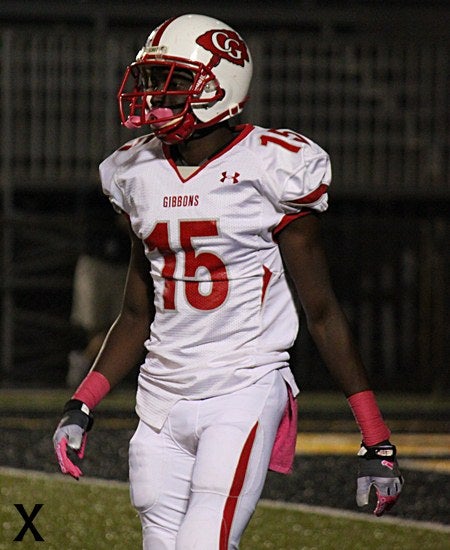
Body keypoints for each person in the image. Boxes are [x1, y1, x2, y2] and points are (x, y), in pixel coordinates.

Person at [53, 14, 403, 549]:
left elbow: (323, 312)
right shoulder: (135, 171)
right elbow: (136, 314)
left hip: (242, 386)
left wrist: (375, 437)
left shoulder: (272, 167)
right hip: (161, 396)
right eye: (151, 80)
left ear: (221, 85)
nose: (154, 97)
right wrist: (82, 403)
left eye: (172, 80)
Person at [66, 186, 129, 387]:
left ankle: (89, 366)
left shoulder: (133, 188)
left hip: (121, 265)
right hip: (97, 263)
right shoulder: (94, 197)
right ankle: (89, 368)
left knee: (116, 325)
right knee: (92, 325)